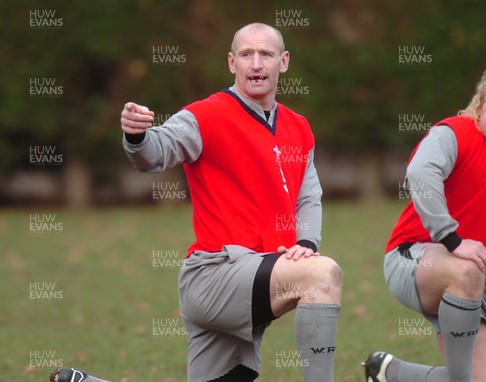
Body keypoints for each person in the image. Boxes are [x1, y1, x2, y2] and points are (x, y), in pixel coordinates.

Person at [51, 22, 342, 382]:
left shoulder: (299, 127)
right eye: (246, 54)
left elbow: (309, 197)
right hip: (214, 275)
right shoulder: (204, 116)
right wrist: (137, 135)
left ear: (283, 62)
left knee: (314, 267)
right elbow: (154, 154)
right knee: (322, 275)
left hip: (254, 277)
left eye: (265, 54)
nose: (256, 63)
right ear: (231, 62)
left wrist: (306, 243)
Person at [363, 54, 486, 382]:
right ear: (480, 107)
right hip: (413, 257)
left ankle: (388, 372)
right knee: (467, 270)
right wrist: (451, 238)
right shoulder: (455, 133)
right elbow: (419, 172)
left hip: (475, 284)